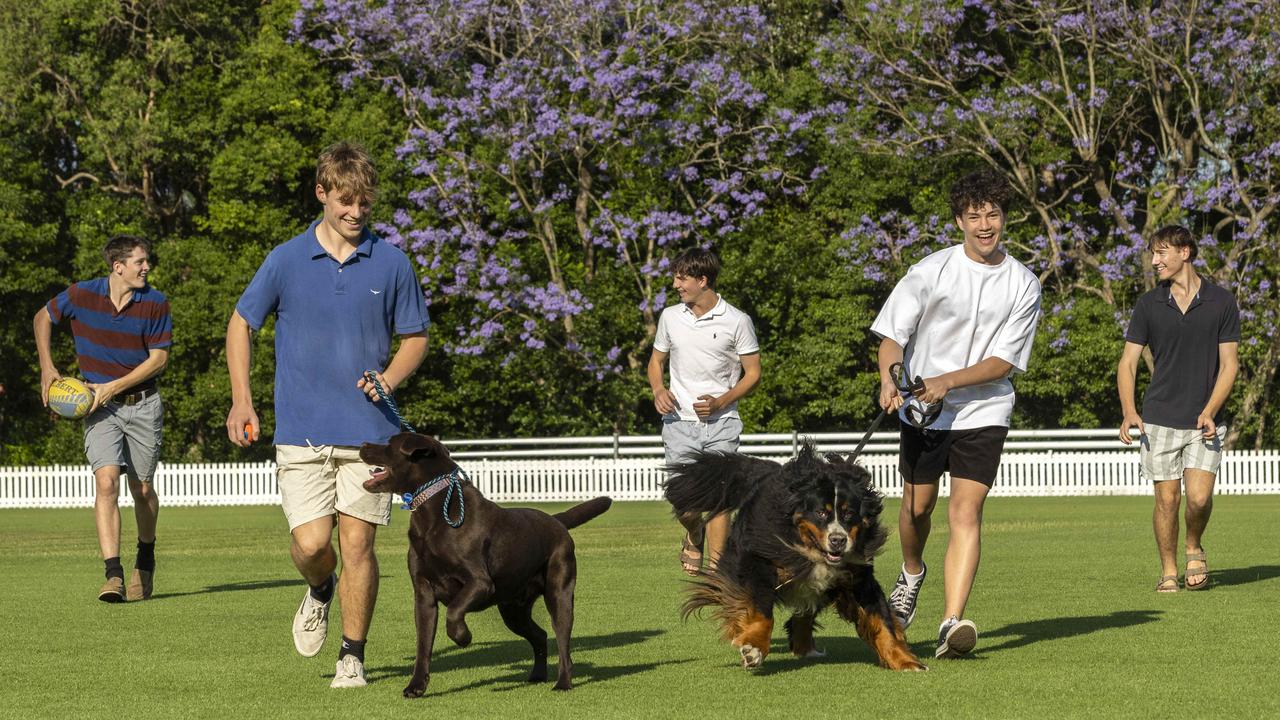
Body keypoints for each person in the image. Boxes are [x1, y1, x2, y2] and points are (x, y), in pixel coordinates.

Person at [225, 142, 430, 689]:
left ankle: (352, 656)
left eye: (365, 203)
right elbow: (241, 323)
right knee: (314, 546)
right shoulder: (286, 259)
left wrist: (388, 377)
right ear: (322, 194)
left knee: (359, 545)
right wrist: (241, 398)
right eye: (345, 201)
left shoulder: (392, 261)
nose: (356, 213)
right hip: (302, 433)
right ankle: (319, 589)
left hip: (370, 435)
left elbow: (416, 337)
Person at [870, 169, 1041, 659]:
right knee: (916, 509)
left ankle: (951, 622)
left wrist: (947, 380)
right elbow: (891, 339)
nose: (985, 224)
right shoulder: (930, 271)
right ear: (959, 222)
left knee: (966, 512)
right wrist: (890, 377)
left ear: (1004, 217)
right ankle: (911, 572)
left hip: (986, 408)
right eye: (974, 216)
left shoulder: (1023, 283)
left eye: (993, 214)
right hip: (922, 413)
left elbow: (1004, 362)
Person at [34, 234, 172, 603]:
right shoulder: (82, 294)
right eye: (140, 261)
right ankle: (113, 574)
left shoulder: (155, 302)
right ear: (118, 267)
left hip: (143, 404)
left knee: (141, 490)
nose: (147, 267)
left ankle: (146, 555)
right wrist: (48, 368)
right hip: (97, 407)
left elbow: (158, 360)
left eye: (147, 261)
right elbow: (42, 317)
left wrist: (114, 386)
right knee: (106, 482)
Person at [1117, 225, 1239, 593]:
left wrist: (1210, 410)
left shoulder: (1221, 302)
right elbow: (1127, 363)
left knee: (1199, 498)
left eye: (1162, 252)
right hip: (1158, 419)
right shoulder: (1149, 304)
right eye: (1153, 253)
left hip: (1205, 422)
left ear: (1185, 252)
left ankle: (1193, 545)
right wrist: (1128, 410)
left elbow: (1230, 364)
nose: (1155, 261)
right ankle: (1169, 570)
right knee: (1167, 500)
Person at [647, 247, 761, 575]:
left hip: (722, 423)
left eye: (682, 278)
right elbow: (656, 362)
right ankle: (694, 532)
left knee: (719, 499)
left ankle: (718, 574)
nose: (675, 284)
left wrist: (722, 402)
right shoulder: (670, 316)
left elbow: (753, 373)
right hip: (679, 423)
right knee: (684, 502)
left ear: (702, 280)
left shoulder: (737, 321)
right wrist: (658, 389)